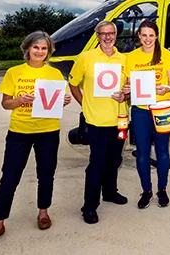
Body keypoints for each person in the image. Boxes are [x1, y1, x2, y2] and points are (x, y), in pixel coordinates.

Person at [0, 31, 72, 248]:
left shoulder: (55, 74)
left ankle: (43, 212)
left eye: (44, 48)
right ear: (27, 48)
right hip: (20, 131)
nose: (40, 52)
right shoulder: (14, 72)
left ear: (49, 51)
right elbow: (5, 104)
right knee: (9, 177)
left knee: (46, 174)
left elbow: (57, 102)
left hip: (48, 130)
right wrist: (20, 99)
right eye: (36, 47)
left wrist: (64, 100)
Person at [69, 21, 129, 224]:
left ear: (116, 35)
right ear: (97, 36)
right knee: (96, 163)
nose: (107, 37)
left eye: (111, 33)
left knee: (115, 160)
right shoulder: (86, 58)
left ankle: (110, 192)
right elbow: (73, 83)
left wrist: (126, 95)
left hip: (119, 121)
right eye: (103, 33)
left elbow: (129, 86)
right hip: (96, 121)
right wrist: (83, 104)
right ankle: (89, 206)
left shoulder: (124, 59)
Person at [123, 20, 170, 209]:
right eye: (144, 35)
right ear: (139, 36)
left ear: (156, 36)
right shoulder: (131, 57)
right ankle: (146, 190)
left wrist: (166, 89)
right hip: (141, 111)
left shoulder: (167, 55)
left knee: (162, 152)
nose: (147, 39)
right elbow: (129, 82)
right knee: (142, 153)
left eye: (151, 35)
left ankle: (162, 189)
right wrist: (127, 89)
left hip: (162, 109)